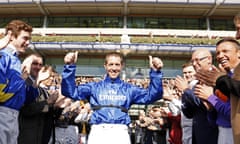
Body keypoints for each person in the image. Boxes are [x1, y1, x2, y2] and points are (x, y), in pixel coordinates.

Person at [61, 51, 164, 144]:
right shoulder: (94, 87)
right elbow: (70, 92)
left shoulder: (129, 89)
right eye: (111, 64)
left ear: (122, 66)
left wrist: (155, 73)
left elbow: (153, 96)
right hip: (98, 131)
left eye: (117, 65)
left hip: (120, 132)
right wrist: (69, 67)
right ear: (105, 66)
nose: (114, 68)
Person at [0, 20, 39, 144]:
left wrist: (31, 79)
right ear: (11, 36)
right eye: (25, 38)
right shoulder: (4, 57)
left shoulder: (16, 60)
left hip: (13, 115)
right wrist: (21, 80)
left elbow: (27, 96)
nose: (28, 43)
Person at [195, 38, 240, 144]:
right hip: (222, 132)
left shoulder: (232, 80)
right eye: (218, 53)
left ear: (238, 53)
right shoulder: (222, 79)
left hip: (234, 132)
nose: (220, 56)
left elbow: (232, 112)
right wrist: (210, 108)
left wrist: (211, 98)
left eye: (225, 51)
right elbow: (214, 120)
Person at [175, 48, 218, 144]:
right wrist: (184, 96)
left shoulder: (216, 78)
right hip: (197, 134)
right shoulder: (196, 83)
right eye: (192, 61)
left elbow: (208, 104)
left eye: (198, 60)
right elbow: (189, 113)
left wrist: (186, 90)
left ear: (209, 59)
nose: (194, 64)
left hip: (212, 134)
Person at [18, 55, 61, 144]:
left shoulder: (44, 92)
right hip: (26, 136)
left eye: (40, 65)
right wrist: (48, 102)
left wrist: (56, 106)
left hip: (41, 136)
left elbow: (44, 111)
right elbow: (26, 110)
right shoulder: (25, 85)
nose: (52, 78)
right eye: (35, 64)